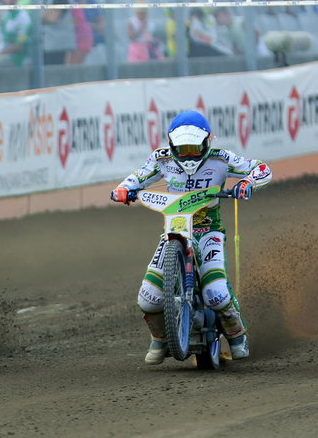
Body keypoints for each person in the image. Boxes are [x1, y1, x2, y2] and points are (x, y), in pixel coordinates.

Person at [110, 110, 272, 364]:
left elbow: (261, 169)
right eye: (182, 148)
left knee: (215, 292)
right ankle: (161, 338)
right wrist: (123, 189)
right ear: (171, 143)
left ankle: (236, 334)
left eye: (194, 147)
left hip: (209, 230)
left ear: (207, 141)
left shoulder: (221, 158)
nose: (188, 155)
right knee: (148, 297)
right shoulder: (161, 158)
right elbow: (138, 177)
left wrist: (247, 183)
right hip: (173, 231)